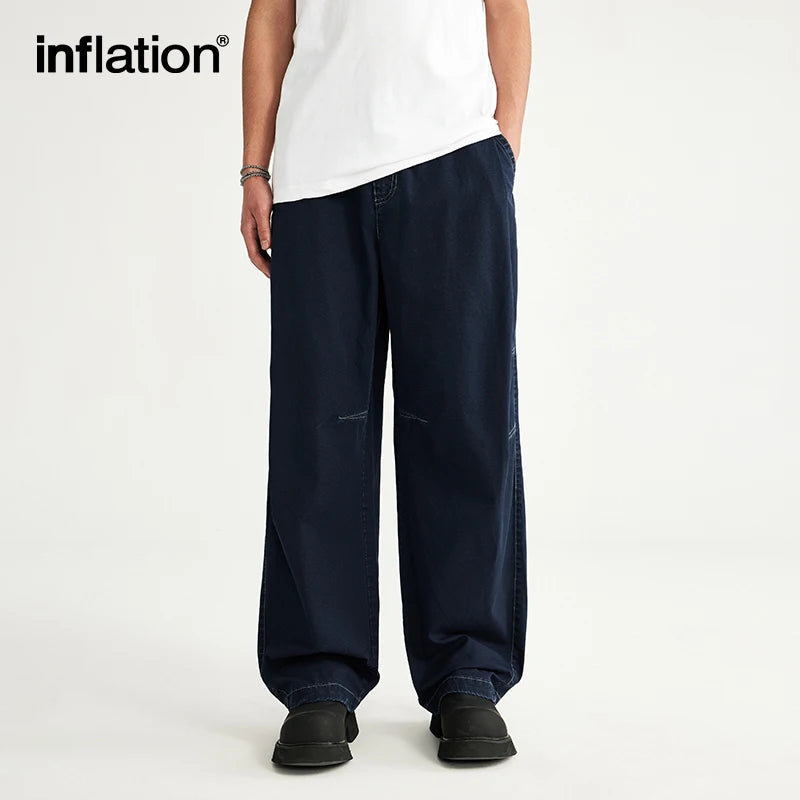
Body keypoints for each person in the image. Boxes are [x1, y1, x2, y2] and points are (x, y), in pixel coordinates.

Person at [240, 0, 531, 767]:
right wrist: (255, 167)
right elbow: (270, 14)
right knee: (317, 429)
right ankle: (319, 677)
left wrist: (503, 144)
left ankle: (468, 671)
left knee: (463, 419)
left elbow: (507, 9)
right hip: (317, 175)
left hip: (454, 157)